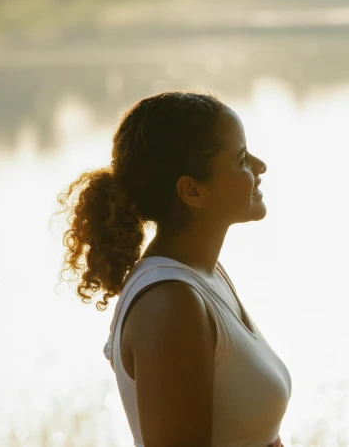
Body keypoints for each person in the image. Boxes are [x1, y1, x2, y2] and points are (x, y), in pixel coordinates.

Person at [58, 91, 291, 447]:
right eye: (242, 159)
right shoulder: (171, 304)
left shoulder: (204, 276)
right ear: (192, 191)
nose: (260, 167)